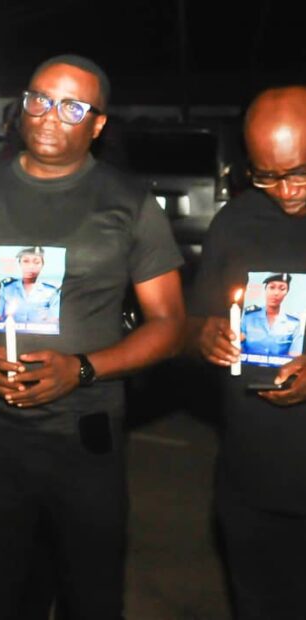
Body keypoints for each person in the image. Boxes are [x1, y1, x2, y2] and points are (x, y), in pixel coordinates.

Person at [0, 54, 185, 619]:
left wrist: (82, 368)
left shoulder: (129, 203)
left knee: (91, 596)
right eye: (39, 99)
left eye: (72, 107)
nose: (48, 115)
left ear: (98, 123)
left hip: (87, 435)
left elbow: (169, 324)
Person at [186, 86, 306, 620]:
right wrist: (203, 336)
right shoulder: (235, 222)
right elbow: (189, 326)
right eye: (267, 175)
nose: (287, 191)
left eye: (300, 172)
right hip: (252, 479)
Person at [0, 245, 61, 327]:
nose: (31, 266)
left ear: (42, 265)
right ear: (19, 263)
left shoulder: (51, 292)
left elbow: (56, 322)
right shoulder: (6, 288)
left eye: (36, 262)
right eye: (26, 261)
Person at [240, 272, 302, 357]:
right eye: (272, 287)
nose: (276, 293)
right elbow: (238, 348)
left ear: (287, 292)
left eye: (282, 289)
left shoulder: (294, 324)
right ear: (265, 289)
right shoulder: (248, 317)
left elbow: (295, 357)